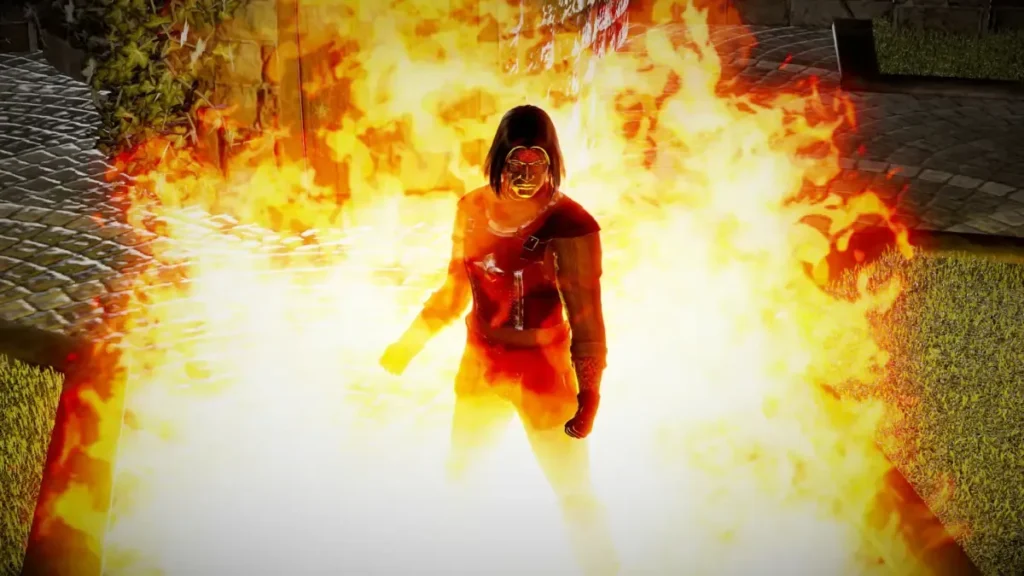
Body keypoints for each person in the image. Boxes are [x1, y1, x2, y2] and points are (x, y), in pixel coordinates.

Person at [380, 104, 618, 575]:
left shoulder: (572, 225)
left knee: (573, 493)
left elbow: (588, 321)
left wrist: (589, 394)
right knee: (462, 481)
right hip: (481, 365)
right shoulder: (472, 210)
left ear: (551, 163)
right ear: (499, 160)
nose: (526, 175)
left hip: (544, 372)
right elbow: (455, 289)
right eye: (516, 163)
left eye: (536, 163)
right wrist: (409, 344)